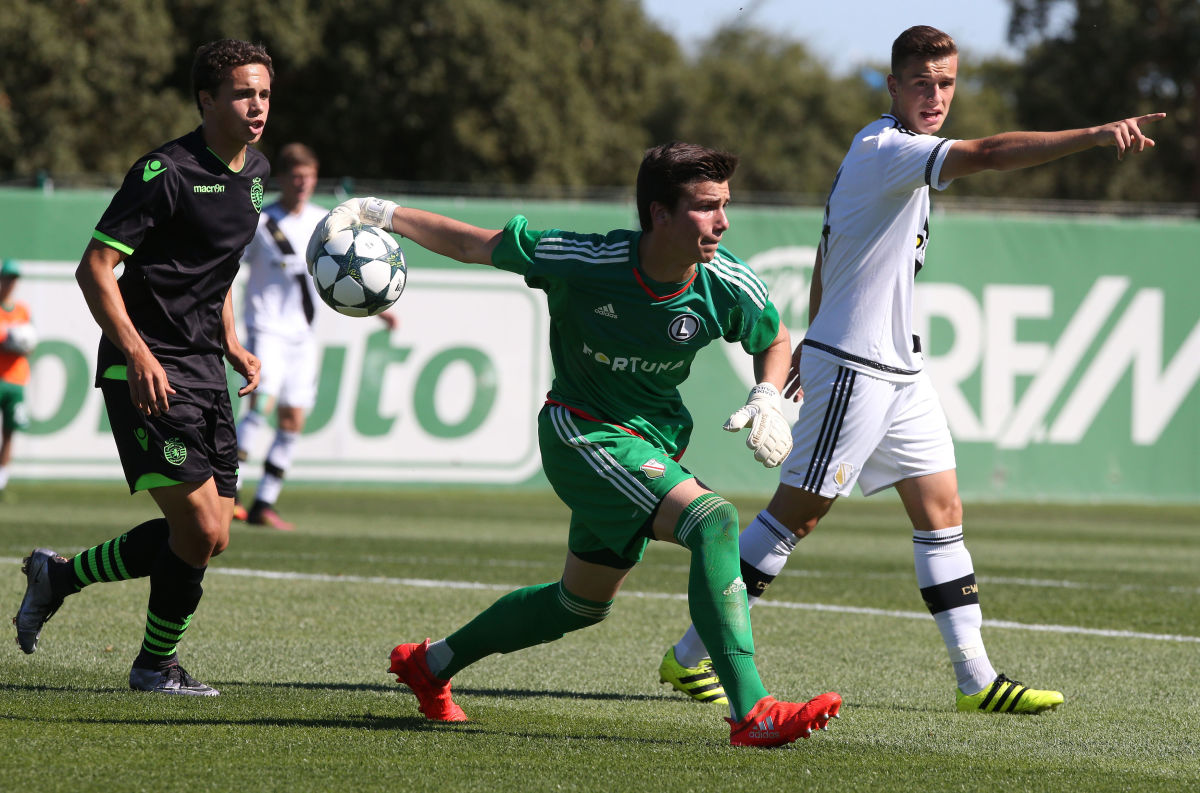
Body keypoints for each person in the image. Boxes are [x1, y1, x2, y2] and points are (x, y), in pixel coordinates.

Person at [659, 25, 1165, 715]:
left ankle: (975, 677)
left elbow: (829, 246)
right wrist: (1094, 135)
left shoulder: (889, 150)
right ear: (893, 85)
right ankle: (691, 655)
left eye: (947, 82)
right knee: (793, 519)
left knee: (942, 512)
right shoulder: (888, 149)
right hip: (859, 369)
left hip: (898, 370)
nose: (935, 95)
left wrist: (812, 327)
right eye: (921, 83)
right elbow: (987, 155)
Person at [307, 143, 841, 747]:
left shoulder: (725, 281)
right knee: (712, 520)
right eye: (705, 207)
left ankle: (429, 665)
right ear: (659, 213)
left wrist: (769, 394)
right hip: (580, 430)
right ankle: (754, 711)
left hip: (650, 444)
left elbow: (772, 337)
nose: (722, 222)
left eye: (724, 206)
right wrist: (380, 212)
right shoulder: (587, 258)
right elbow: (473, 245)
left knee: (580, 605)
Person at [12, 39, 272, 696]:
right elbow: (94, 267)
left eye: (264, 93)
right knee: (202, 527)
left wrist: (232, 342)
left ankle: (59, 575)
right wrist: (137, 351)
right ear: (207, 99)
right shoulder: (166, 171)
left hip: (206, 372)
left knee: (210, 540)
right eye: (243, 93)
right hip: (148, 369)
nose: (257, 105)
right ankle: (155, 665)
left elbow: (218, 273)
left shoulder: (258, 173)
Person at [233, 142, 396, 530]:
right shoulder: (259, 222)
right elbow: (228, 268)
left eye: (309, 176)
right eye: (296, 176)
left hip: (302, 335)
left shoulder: (327, 222)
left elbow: (354, 271)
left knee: (293, 417)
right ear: (283, 179)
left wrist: (380, 310)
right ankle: (231, 491)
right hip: (266, 327)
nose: (303, 183)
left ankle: (264, 503)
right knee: (262, 404)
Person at [0, 258, 35, 500]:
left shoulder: (22, 310)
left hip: (16, 380)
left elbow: (30, 344)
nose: (10, 283)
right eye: (6, 278)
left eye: (13, 279)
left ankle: (1, 481)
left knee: (10, 432)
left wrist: (22, 342)